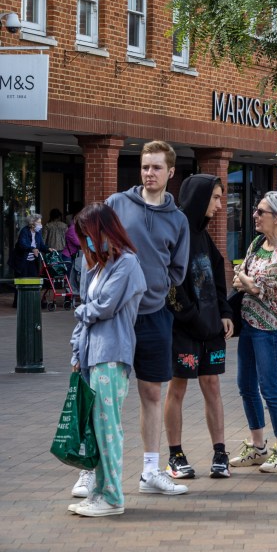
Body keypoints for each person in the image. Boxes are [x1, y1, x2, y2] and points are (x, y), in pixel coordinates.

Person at [99, 141, 190, 497]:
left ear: (170, 172)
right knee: (105, 393)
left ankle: (151, 471)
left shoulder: (178, 219)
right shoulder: (117, 204)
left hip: (155, 315)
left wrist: (156, 284)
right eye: (144, 167)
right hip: (115, 317)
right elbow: (93, 248)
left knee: (152, 392)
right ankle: (93, 471)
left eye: (156, 168)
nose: (149, 173)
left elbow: (178, 271)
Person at [66, 203, 147, 517]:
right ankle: (100, 493)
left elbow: (102, 308)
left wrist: (82, 311)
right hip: (92, 355)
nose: (87, 241)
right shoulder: (97, 266)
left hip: (112, 354)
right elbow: (90, 308)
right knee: (98, 429)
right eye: (84, 236)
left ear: (105, 230)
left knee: (107, 427)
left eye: (90, 234)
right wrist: (76, 351)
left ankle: (112, 496)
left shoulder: (127, 264)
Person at [163, 175, 234, 480]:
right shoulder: (178, 230)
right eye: (216, 198)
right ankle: (175, 455)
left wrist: (225, 311)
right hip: (184, 329)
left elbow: (217, 275)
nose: (220, 206)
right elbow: (170, 283)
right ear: (200, 197)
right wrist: (191, 317)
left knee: (212, 386)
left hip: (211, 330)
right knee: (177, 387)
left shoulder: (204, 234)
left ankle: (220, 452)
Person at [230, 191, 277, 472]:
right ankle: (257, 446)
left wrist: (250, 282)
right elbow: (241, 280)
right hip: (248, 322)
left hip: (270, 326)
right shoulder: (258, 243)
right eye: (256, 210)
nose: (255, 216)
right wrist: (250, 282)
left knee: (269, 387)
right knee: (244, 386)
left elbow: (269, 286)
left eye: (261, 212)